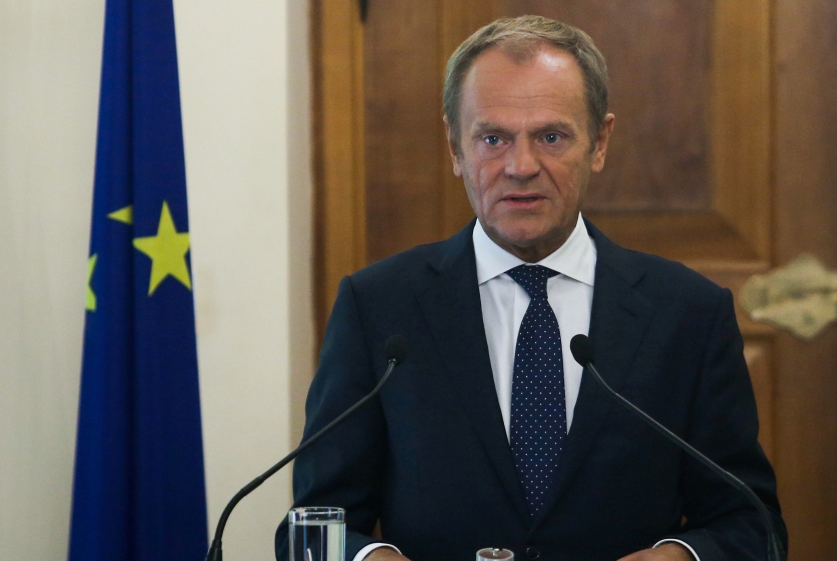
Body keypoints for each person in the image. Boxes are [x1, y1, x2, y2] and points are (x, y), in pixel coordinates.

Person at [276, 15, 786, 561]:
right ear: (455, 147)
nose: (521, 166)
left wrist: (680, 556)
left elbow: (752, 525)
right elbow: (313, 527)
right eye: (492, 138)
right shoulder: (378, 307)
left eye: (551, 136)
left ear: (599, 142)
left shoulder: (688, 313)